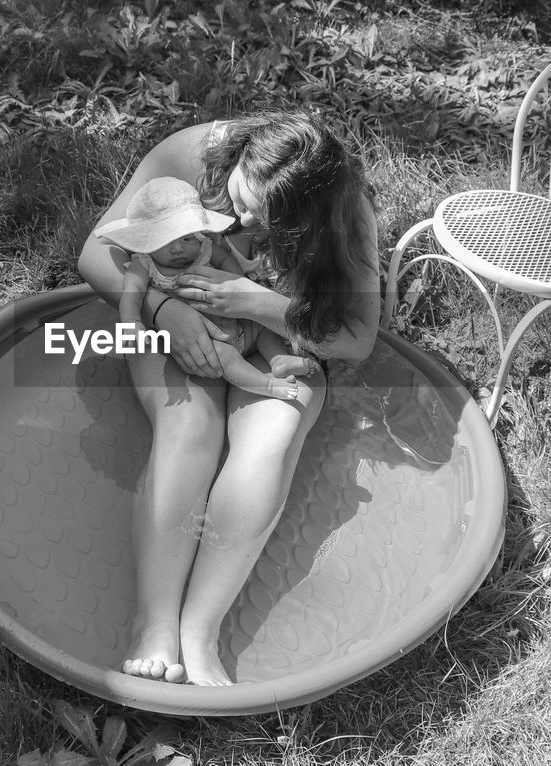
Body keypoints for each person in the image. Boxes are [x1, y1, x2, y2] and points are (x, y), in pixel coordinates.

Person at [77, 110, 380, 686]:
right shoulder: (191, 155)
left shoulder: (346, 214)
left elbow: (358, 337)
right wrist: (167, 312)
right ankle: (157, 623)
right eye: (239, 199)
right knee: (190, 427)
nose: (238, 220)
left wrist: (258, 302)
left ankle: (200, 628)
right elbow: (95, 253)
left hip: (271, 341)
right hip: (167, 320)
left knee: (276, 430)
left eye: (260, 222)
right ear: (237, 160)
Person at [94, 175, 317, 400]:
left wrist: (238, 284)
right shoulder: (144, 264)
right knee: (225, 358)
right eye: (166, 241)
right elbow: (132, 293)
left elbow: (228, 265)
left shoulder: (207, 250)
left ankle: (278, 359)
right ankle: (266, 385)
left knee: (262, 327)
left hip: (236, 321)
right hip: (199, 340)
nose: (178, 248)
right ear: (145, 241)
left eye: (187, 238)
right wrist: (132, 323)